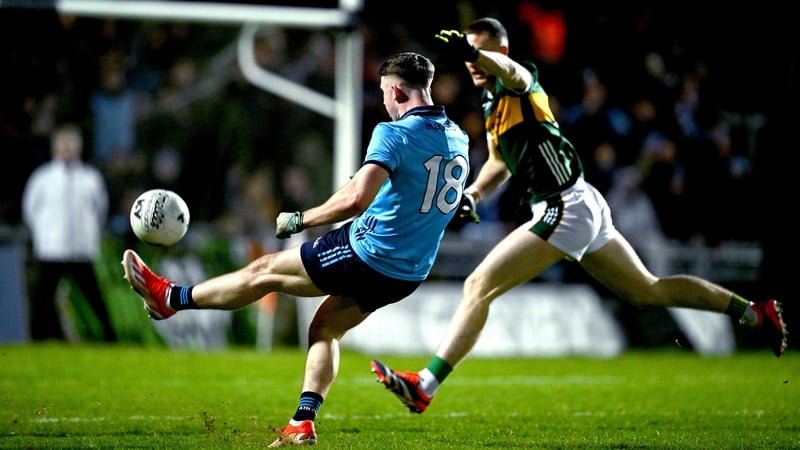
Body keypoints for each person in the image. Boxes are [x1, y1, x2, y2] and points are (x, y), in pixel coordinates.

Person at [370, 17, 788, 415]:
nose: (472, 61)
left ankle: (424, 386)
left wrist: (476, 53)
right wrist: (475, 194)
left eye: (481, 52)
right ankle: (755, 312)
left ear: (502, 52)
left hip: (564, 206)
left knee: (479, 284)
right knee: (647, 290)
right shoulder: (491, 100)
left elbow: (510, 71)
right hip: (578, 201)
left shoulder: (520, 79)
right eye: (467, 53)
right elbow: (499, 161)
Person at [121, 52, 470, 447]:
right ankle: (303, 421)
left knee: (264, 271)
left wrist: (302, 219)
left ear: (395, 90)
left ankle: (170, 297)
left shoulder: (394, 133)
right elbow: (422, 193)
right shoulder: (457, 136)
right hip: (407, 273)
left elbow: (357, 199)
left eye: (384, 94)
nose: (385, 103)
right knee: (325, 328)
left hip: (368, 253)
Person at [22, 123, 117, 342]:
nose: (67, 149)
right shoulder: (42, 178)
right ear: (56, 147)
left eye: (71, 145)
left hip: (80, 248)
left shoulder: (90, 177)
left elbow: (100, 210)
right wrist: (43, 234)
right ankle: (37, 336)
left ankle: (109, 335)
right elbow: (30, 210)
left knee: (93, 295)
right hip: (51, 248)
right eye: (63, 145)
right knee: (43, 297)